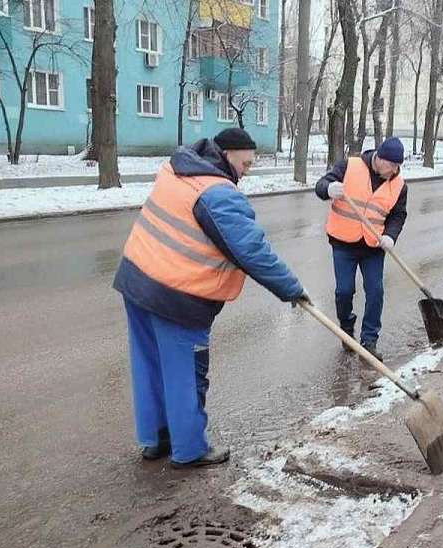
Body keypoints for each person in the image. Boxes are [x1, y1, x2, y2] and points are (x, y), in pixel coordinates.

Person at [113, 128, 309, 467]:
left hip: (137, 281)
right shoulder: (218, 193)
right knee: (185, 374)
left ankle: (156, 438)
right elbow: (252, 251)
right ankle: (189, 450)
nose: (247, 170)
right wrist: (291, 288)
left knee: (150, 364)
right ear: (227, 154)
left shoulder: (179, 170)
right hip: (177, 297)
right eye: (246, 163)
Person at [314, 137, 408, 361]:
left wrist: (390, 236)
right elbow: (320, 186)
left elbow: (398, 215)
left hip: (374, 247)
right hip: (343, 243)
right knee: (344, 291)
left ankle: (369, 340)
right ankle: (346, 330)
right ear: (380, 158)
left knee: (376, 292)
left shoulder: (399, 185)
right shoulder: (349, 166)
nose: (394, 171)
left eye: (398, 167)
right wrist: (329, 188)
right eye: (392, 165)